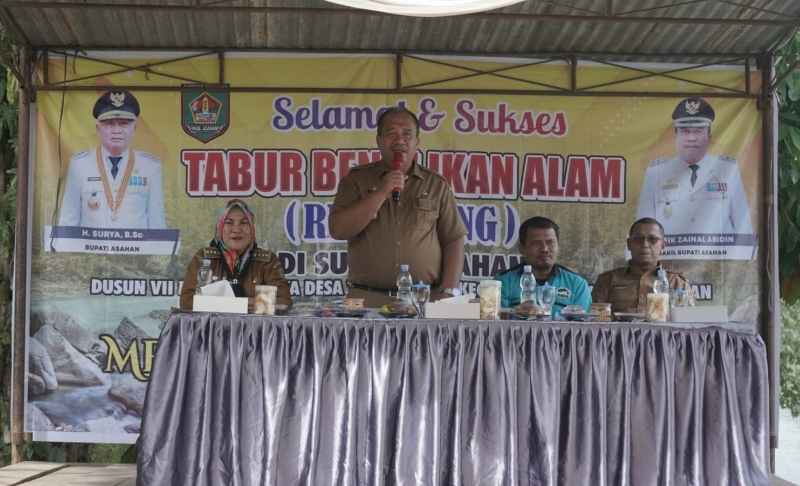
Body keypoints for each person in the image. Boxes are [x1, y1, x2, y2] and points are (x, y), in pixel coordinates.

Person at [329, 106, 467, 307]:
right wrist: (381, 192)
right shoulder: (356, 180)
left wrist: (448, 291)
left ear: (417, 142)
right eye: (391, 133)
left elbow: (453, 239)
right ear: (379, 141)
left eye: (407, 134)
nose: (399, 140)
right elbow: (338, 230)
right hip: (365, 298)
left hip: (423, 298)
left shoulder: (436, 184)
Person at [636, 97, 754, 256]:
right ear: (675, 136)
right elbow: (642, 228)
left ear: (709, 135)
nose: (691, 138)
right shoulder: (656, 173)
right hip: (669, 266)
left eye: (698, 131)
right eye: (685, 131)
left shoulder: (728, 170)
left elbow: (743, 227)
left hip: (718, 267)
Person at [58, 89, 166, 229]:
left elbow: (157, 224)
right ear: (98, 128)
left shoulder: (150, 167)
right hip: (91, 250)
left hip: (136, 250)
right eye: (109, 124)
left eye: (123, 123)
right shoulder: (79, 165)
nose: (117, 130)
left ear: (134, 128)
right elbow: (68, 222)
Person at [180, 199, 291, 311]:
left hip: (254, 328)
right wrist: (240, 304)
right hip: (214, 328)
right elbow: (187, 302)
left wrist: (217, 303)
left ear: (252, 228)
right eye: (229, 222)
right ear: (220, 228)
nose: (237, 229)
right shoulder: (204, 258)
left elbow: (284, 303)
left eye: (244, 222)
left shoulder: (267, 261)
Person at [592, 217, 691, 313]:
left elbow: (687, 324)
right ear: (629, 244)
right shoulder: (607, 280)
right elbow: (595, 322)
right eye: (638, 239)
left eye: (652, 239)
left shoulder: (677, 283)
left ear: (663, 245)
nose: (645, 244)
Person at [495, 216, 591, 316]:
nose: (544, 249)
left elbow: (583, 327)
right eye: (536, 243)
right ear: (522, 248)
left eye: (550, 243)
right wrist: (516, 312)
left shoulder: (577, 284)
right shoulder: (502, 283)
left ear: (558, 246)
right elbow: (494, 323)